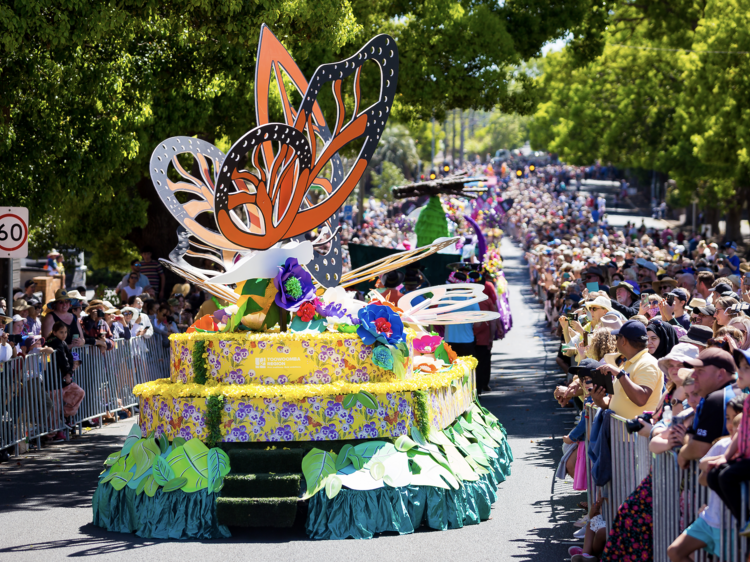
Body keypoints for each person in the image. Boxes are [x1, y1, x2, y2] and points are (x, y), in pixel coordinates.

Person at [667, 397, 741, 561]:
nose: (731, 425)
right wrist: (719, 466)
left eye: (736, 419)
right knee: (674, 551)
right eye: (727, 418)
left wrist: (717, 469)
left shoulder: (746, 452)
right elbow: (702, 477)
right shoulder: (722, 444)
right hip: (709, 518)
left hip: (729, 525)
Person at [704, 348, 750, 524]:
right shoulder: (747, 400)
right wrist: (724, 457)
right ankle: (744, 519)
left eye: (746, 368)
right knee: (714, 475)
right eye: (740, 367)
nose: (740, 371)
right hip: (744, 458)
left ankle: (746, 521)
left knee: (726, 476)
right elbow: (740, 434)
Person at [678, 348, 738, 468]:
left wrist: (682, 454)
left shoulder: (718, 399)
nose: (693, 375)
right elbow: (692, 434)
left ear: (720, 374)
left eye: (700, 371)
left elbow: (700, 448)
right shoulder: (713, 396)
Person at [594, 320, 663, 418]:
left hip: (638, 431)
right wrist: (599, 400)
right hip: (622, 431)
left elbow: (641, 399)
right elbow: (612, 400)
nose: (616, 341)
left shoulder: (648, 363)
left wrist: (620, 374)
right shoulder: (627, 364)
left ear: (624, 341)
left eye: (617, 337)